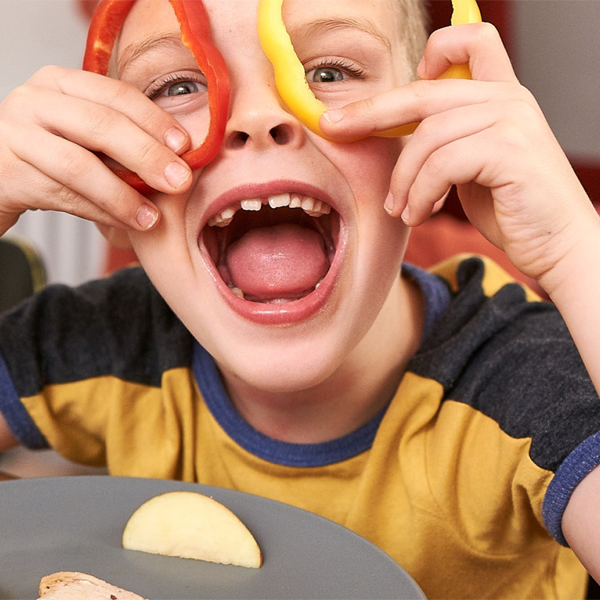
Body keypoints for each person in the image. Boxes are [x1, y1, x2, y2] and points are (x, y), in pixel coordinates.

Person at [1, 0, 600, 597]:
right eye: (179, 85)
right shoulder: (111, 338)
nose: (258, 117)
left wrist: (574, 246)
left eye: (330, 73)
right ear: (104, 189)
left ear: (433, 131)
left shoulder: (526, 379)